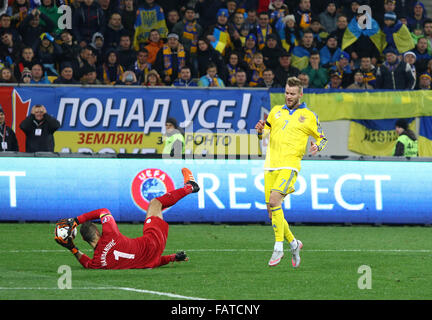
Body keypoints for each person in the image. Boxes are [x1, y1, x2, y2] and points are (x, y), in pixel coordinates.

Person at [54, 168, 200, 269]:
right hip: (152, 241)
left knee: (155, 209)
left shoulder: (98, 262)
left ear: (85, 240)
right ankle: (190, 187)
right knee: (156, 203)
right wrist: (76, 220)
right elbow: (104, 211)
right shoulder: (110, 236)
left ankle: (189, 187)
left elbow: (87, 264)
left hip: (152, 255)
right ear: (98, 233)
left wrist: (72, 248)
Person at [254, 76, 327, 267]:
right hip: (270, 164)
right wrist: (260, 130)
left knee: (274, 200)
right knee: (272, 212)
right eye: (286, 93)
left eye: (292, 94)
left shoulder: (309, 116)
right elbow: (264, 134)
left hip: (290, 165)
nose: (288, 96)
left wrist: (317, 146)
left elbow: (323, 138)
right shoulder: (276, 111)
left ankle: (278, 248)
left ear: (300, 94)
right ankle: (294, 243)